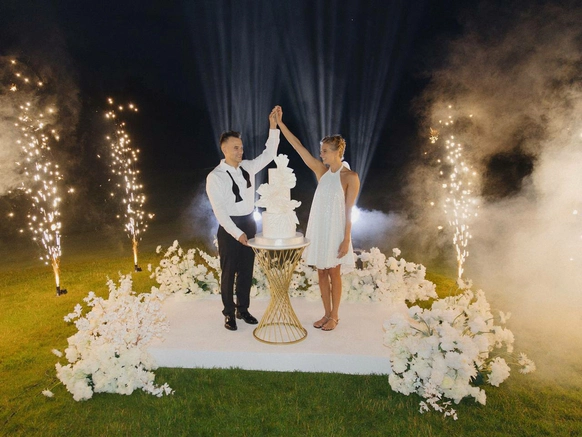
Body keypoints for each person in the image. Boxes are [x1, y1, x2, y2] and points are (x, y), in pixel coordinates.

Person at [273, 106, 360, 331]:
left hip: (336, 232)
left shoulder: (350, 177)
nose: (321, 154)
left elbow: (349, 210)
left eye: (325, 151)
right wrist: (281, 124)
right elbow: (298, 146)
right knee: (321, 271)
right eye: (321, 151)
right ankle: (326, 314)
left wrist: (346, 239)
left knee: (334, 272)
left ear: (337, 152)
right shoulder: (321, 171)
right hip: (320, 229)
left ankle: (335, 316)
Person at [206, 109, 279, 331]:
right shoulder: (215, 177)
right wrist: (237, 233)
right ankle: (229, 313)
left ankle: (243, 309)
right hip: (230, 226)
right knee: (229, 272)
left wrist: (273, 127)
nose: (240, 151)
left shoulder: (248, 167)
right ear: (224, 149)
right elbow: (220, 212)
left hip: (249, 222)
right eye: (236, 147)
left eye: (241, 147)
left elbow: (270, 154)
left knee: (247, 270)